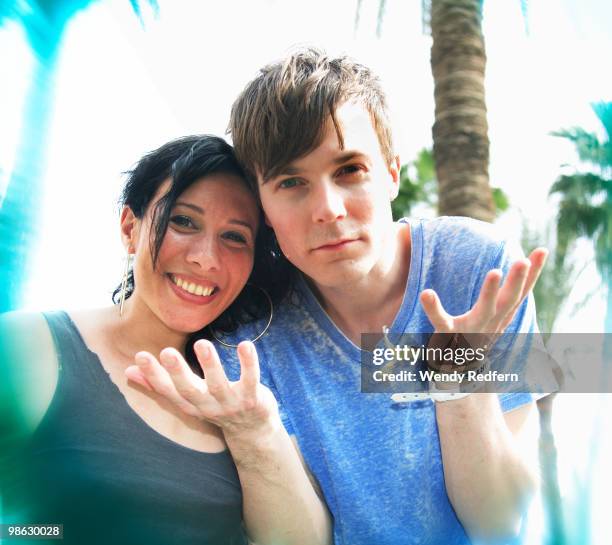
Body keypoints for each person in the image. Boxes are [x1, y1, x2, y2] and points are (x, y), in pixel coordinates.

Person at [126, 50, 549, 544]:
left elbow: (501, 524)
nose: (327, 209)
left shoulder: (478, 267)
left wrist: (458, 385)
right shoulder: (246, 331)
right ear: (262, 207)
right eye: (291, 182)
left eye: (349, 170)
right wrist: (254, 435)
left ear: (391, 172)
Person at [0, 135, 331, 545]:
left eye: (235, 237)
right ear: (130, 228)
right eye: (184, 221)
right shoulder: (25, 347)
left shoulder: (246, 390)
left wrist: (255, 432)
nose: (206, 258)